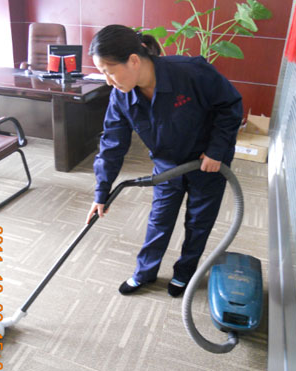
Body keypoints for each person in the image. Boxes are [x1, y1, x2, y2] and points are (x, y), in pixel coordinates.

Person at [85, 25, 243, 297]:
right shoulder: (121, 96)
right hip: (167, 167)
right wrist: (101, 192)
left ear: (133, 60)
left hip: (207, 163)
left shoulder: (191, 72)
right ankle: (145, 272)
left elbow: (230, 105)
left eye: (109, 71)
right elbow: (112, 144)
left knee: (198, 222)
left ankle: (185, 273)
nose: (108, 81)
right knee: (159, 220)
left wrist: (216, 150)